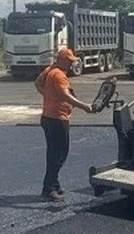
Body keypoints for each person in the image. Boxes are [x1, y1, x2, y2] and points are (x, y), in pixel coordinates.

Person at [34, 47, 94, 202]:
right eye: (69, 61)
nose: (70, 64)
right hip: (57, 119)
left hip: (47, 117)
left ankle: (54, 183)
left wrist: (48, 96)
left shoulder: (49, 70)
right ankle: (49, 188)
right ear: (61, 60)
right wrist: (85, 106)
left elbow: (37, 83)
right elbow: (65, 95)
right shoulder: (58, 75)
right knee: (59, 154)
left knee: (53, 152)